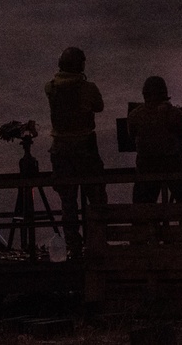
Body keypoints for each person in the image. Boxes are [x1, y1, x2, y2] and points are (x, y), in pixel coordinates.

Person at [45, 46, 107, 259]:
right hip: (85, 148)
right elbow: (99, 106)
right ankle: (97, 242)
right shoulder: (87, 88)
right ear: (79, 65)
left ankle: (74, 246)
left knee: (67, 202)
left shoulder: (51, 87)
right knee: (96, 196)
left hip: (60, 150)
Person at [126, 76, 182, 203]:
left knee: (142, 206)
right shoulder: (174, 113)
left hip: (146, 165)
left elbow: (131, 136)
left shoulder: (135, 115)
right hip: (172, 164)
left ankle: (145, 222)